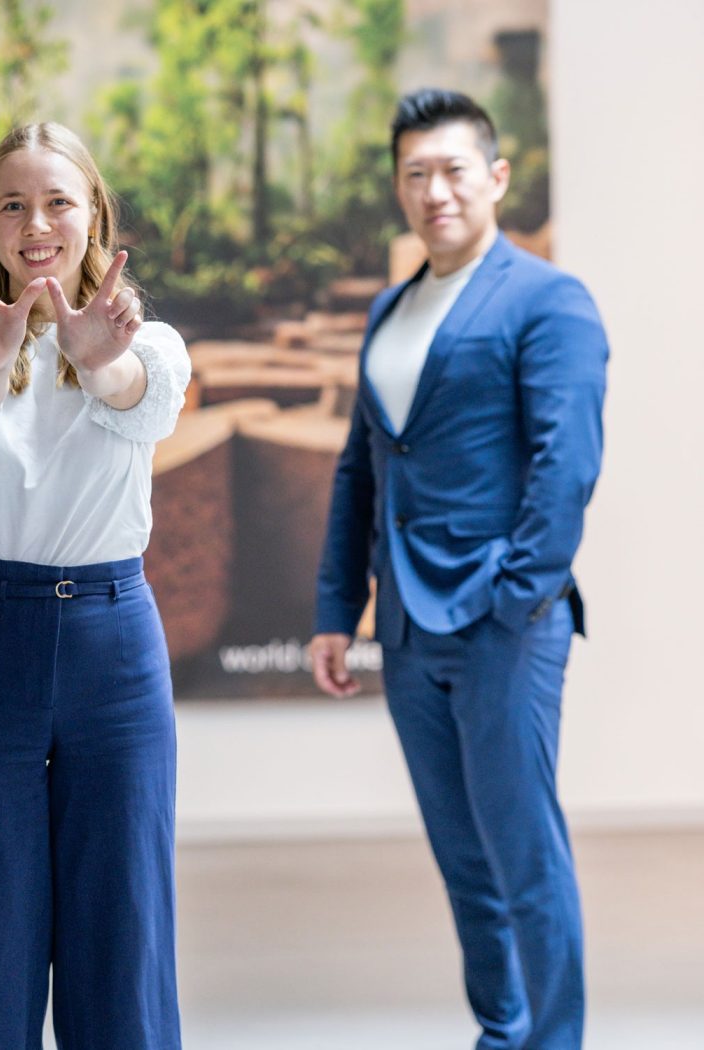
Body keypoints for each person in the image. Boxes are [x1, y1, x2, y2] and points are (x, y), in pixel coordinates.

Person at [310, 88, 608, 1050]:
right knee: (463, 860)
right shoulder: (391, 309)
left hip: (503, 624)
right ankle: (502, 1031)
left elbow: (567, 464)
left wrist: (515, 600)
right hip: (406, 627)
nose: (435, 191)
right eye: (416, 174)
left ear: (497, 177)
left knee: (524, 856)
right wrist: (337, 609)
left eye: (453, 170)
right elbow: (361, 467)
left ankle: (552, 1040)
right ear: (399, 188)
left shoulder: (548, 300)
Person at [0, 122, 191, 1049]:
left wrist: (100, 356)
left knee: (125, 928)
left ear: (93, 213)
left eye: (58, 202)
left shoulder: (151, 345)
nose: (36, 224)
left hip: (114, 642)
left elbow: (137, 397)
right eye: (13, 205)